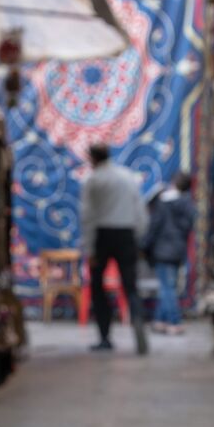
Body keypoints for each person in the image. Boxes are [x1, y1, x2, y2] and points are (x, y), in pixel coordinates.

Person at [78, 143, 149, 354]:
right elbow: (140, 209)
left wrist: (90, 249)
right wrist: (137, 236)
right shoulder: (127, 177)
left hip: (103, 235)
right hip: (126, 234)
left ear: (92, 159)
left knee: (98, 288)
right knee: (130, 285)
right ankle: (137, 321)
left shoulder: (93, 180)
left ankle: (105, 337)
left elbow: (88, 216)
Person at [143, 171, 197, 334]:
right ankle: (160, 320)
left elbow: (154, 226)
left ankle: (174, 321)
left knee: (167, 288)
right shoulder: (187, 204)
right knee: (168, 285)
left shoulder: (163, 203)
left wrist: (144, 244)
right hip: (177, 249)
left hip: (162, 250)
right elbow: (188, 226)